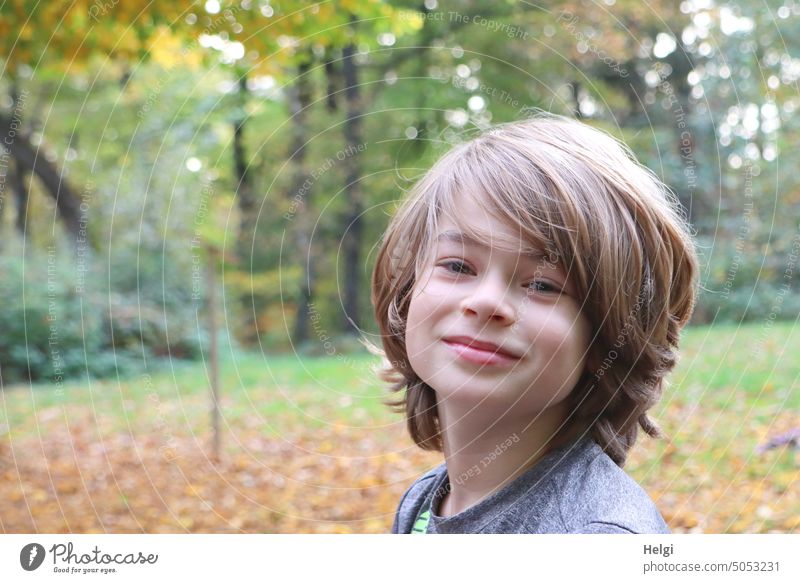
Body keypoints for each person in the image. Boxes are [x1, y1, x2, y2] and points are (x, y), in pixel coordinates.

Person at [369, 113, 698, 534]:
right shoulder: (422, 503)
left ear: (607, 338)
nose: (487, 302)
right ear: (407, 292)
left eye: (543, 284)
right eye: (456, 265)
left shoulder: (597, 536)